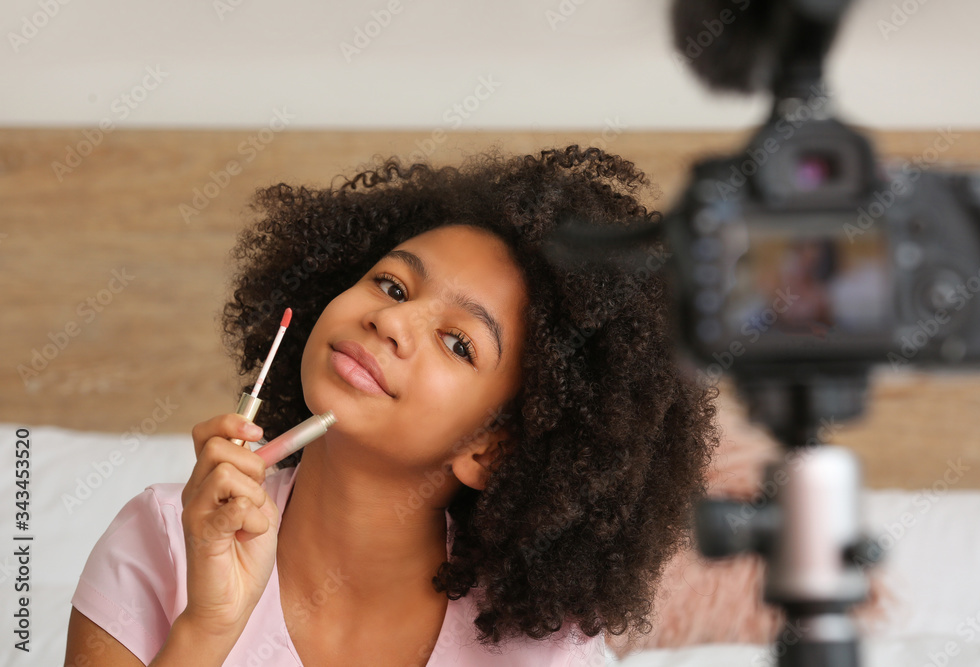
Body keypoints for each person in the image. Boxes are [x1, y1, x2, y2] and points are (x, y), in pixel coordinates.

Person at [64, 145, 720, 666]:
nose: (392, 320)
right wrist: (208, 629)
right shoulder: (161, 544)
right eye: (391, 283)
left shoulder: (541, 653)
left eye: (458, 341)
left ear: (491, 447)